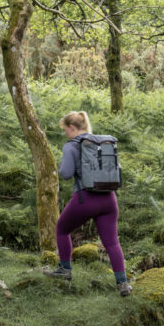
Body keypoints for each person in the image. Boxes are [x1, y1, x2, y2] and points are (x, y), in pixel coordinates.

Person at [46, 110, 132, 296]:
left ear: (71, 127)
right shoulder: (101, 142)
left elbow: (66, 173)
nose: (66, 134)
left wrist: (62, 165)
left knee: (62, 228)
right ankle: (123, 283)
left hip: (86, 198)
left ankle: (65, 270)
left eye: (65, 130)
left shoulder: (71, 146)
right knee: (112, 242)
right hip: (109, 198)